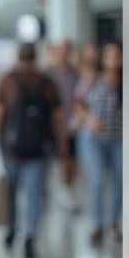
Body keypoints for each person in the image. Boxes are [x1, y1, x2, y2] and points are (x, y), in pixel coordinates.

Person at [0, 43, 68, 258]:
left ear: (17, 57)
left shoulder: (7, 82)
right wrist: (62, 143)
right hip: (39, 151)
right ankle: (30, 236)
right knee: (34, 195)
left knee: (11, 192)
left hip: (11, 150)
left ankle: (11, 230)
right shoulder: (47, 83)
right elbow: (58, 117)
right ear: (36, 57)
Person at [76, 41, 123, 247]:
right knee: (96, 180)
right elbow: (77, 102)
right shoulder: (92, 79)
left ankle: (112, 221)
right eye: (109, 55)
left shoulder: (125, 81)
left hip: (118, 139)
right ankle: (96, 224)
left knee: (120, 181)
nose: (113, 60)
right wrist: (88, 118)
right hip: (93, 139)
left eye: (116, 55)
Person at [44, 39, 81, 210]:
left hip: (71, 122)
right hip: (52, 124)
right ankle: (47, 190)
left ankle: (67, 189)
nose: (63, 54)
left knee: (71, 158)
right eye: (61, 50)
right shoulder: (48, 74)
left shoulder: (76, 73)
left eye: (67, 50)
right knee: (54, 157)